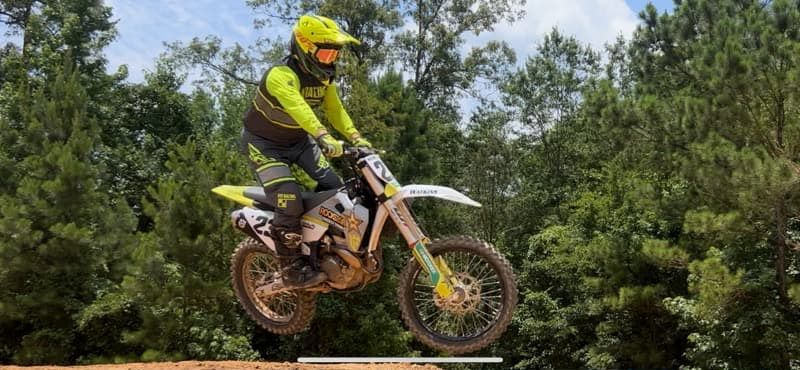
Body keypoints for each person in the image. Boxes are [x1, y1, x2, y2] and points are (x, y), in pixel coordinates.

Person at [241, 14, 372, 288]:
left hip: (299, 142)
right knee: (288, 197)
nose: (330, 60)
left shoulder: (324, 82)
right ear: (303, 47)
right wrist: (323, 135)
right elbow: (299, 108)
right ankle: (291, 267)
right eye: (325, 53)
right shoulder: (281, 75)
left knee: (338, 191)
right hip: (264, 145)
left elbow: (336, 111)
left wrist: (357, 138)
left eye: (335, 54)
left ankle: (326, 249)